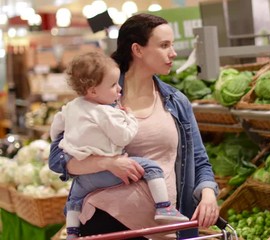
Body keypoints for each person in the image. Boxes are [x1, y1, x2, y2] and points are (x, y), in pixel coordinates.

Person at [48, 13, 219, 240]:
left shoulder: (177, 102)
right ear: (137, 50)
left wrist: (208, 194)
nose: (173, 53)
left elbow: (199, 160)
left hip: (163, 229)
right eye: (164, 45)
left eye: (172, 45)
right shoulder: (96, 97)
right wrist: (108, 163)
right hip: (106, 221)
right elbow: (58, 160)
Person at [50, 51, 189, 239]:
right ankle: (164, 207)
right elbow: (123, 137)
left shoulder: (72, 106)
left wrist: (67, 141)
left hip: (84, 177)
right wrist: (129, 116)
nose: (119, 89)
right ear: (93, 90)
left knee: (74, 196)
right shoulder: (106, 112)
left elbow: (56, 128)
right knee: (151, 168)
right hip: (108, 176)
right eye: (114, 85)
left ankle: (72, 232)